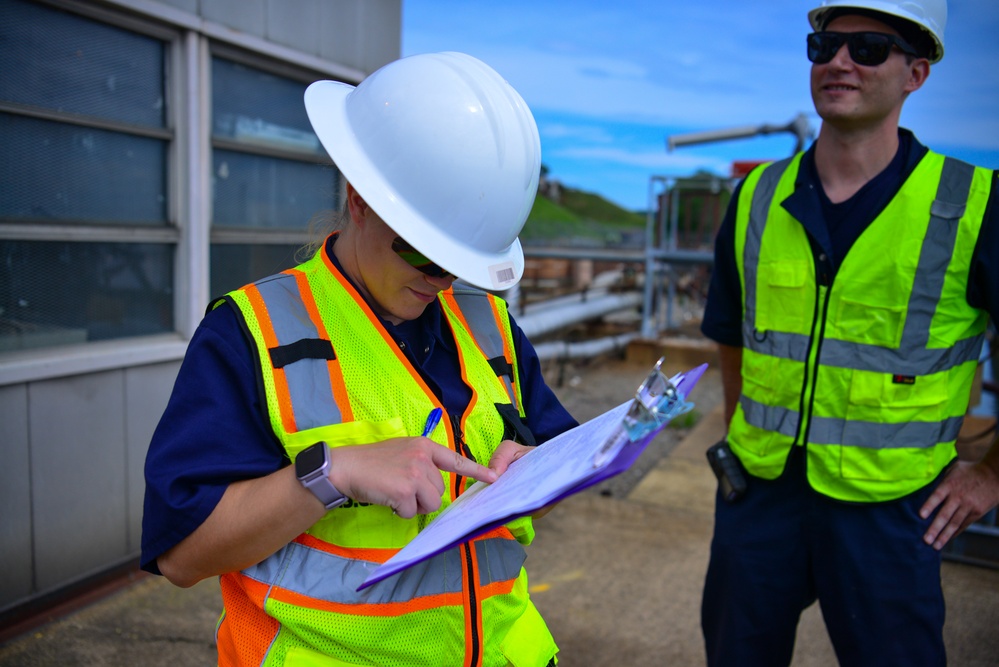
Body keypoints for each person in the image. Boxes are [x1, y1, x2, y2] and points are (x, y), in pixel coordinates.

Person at [141, 52, 577, 667]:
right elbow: (182, 555)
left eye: (460, 263)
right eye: (423, 254)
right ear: (360, 199)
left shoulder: (488, 324)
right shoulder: (250, 333)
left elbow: (560, 458)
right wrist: (332, 475)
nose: (443, 281)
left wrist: (535, 471)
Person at [699, 1, 999, 664]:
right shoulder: (756, 197)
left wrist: (990, 474)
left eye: (867, 48)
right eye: (823, 46)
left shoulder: (972, 203)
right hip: (759, 500)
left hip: (890, 511)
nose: (837, 61)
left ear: (915, 72)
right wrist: (737, 438)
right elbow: (730, 332)